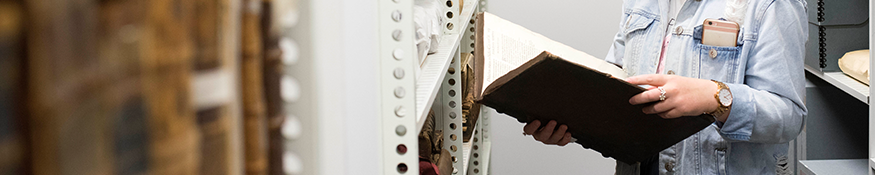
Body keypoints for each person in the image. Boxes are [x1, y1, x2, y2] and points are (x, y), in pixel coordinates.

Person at [522, 0, 808, 174]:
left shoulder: (773, 4)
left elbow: (788, 116)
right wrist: (572, 126)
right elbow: (615, 86)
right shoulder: (640, 2)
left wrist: (715, 98)